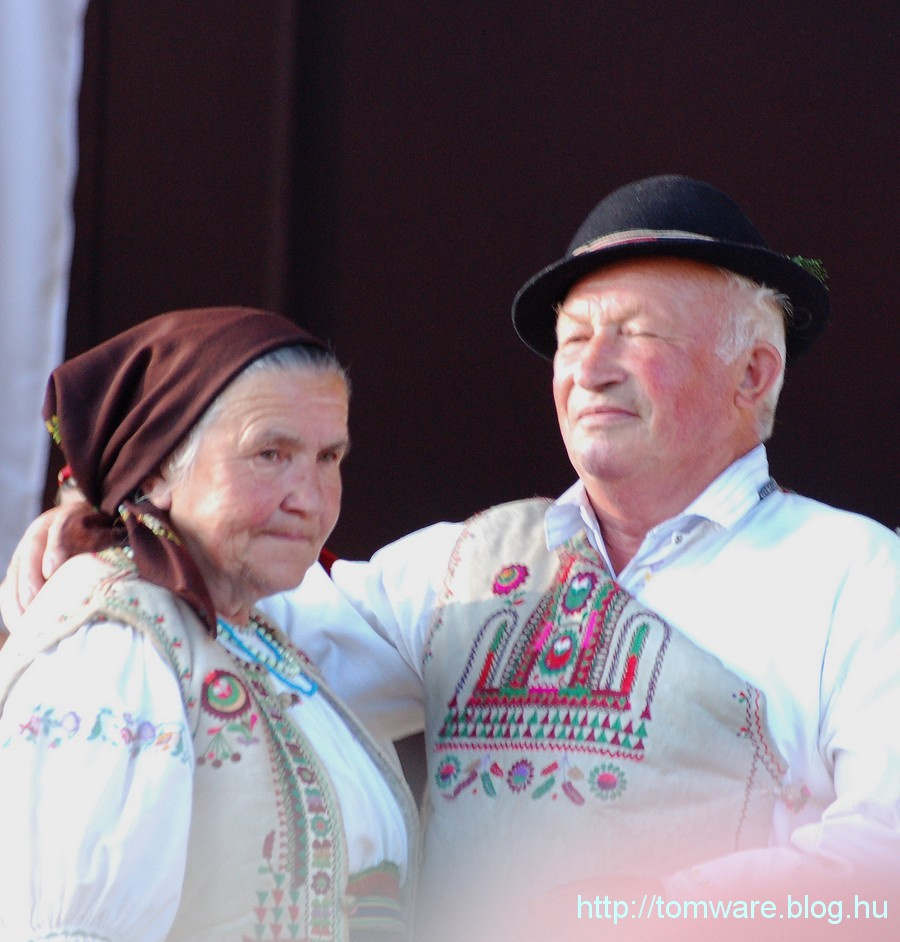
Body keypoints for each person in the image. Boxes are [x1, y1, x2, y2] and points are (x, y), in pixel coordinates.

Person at [4, 178, 899, 941]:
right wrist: (119, 521)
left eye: (637, 333)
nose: (590, 368)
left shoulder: (857, 578)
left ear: (754, 373)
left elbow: (883, 868)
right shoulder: (453, 570)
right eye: (573, 336)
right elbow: (228, 627)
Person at [0, 307, 418, 942]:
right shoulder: (116, 643)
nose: (307, 496)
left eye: (328, 456)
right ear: (161, 468)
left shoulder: (256, 631)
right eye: (270, 453)